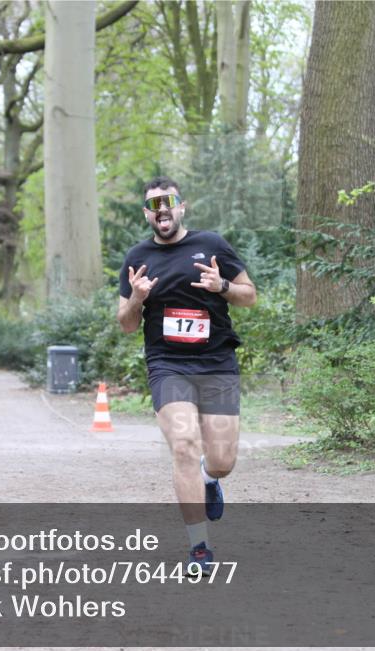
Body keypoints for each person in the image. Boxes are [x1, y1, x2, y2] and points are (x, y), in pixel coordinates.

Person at [117, 176, 257, 574]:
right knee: (183, 445)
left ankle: (209, 480)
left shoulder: (211, 245)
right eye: (153, 204)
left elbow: (249, 295)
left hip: (216, 361)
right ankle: (199, 549)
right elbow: (126, 324)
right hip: (168, 364)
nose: (162, 209)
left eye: (169, 201)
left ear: (182, 207)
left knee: (222, 460)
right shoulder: (137, 257)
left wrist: (223, 285)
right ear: (147, 213)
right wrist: (138, 300)